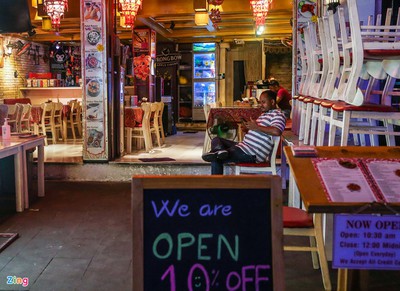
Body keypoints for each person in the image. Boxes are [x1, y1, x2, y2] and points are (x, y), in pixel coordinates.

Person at [202, 90, 287, 175]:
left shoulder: (278, 115)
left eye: (263, 102)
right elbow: (259, 131)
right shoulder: (264, 114)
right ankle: (219, 152)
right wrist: (248, 129)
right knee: (216, 140)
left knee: (215, 157)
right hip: (244, 147)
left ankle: (216, 185)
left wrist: (256, 127)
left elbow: (277, 131)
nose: (261, 105)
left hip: (252, 153)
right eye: (260, 102)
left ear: (272, 102)